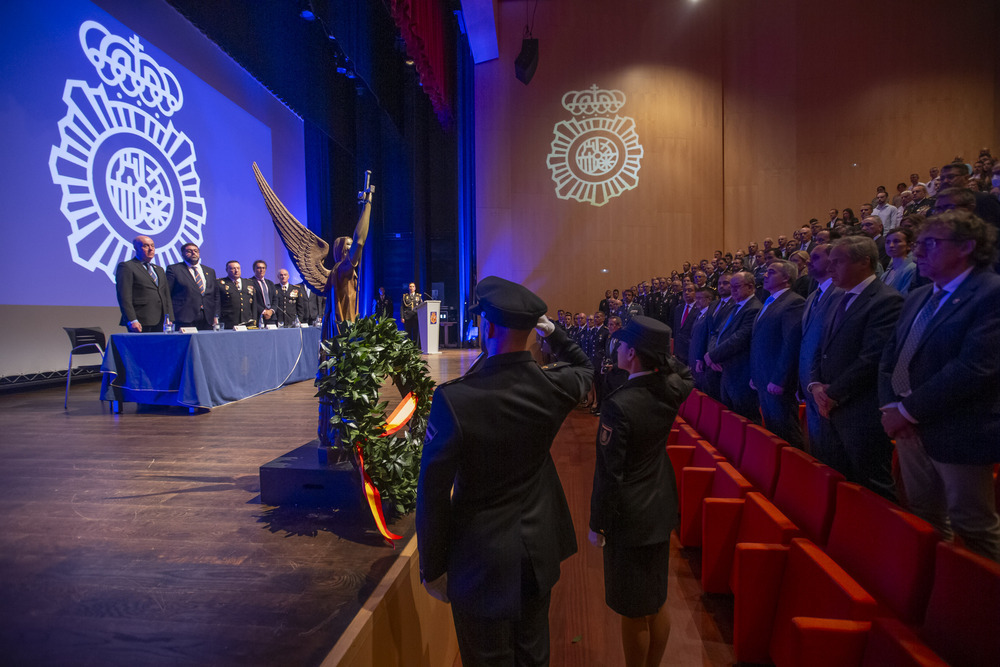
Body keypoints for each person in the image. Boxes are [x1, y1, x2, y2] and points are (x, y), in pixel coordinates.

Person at [416, 276, 592, 666]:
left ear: (488, 327)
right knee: (532, 655)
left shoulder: (455, 400)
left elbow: (432, 493)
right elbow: (584, 366)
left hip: (480, 561)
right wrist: (553, 331)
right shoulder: (554, 388)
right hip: (536, 552)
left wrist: (433, 566)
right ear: (532, 330)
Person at [879, 210, 1000, 562]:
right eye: (918, 243)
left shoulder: (990, 294)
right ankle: (938, 598)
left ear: (967, 247)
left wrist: (906, 410)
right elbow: (891, 355)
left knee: (973, 525)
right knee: (923, 517)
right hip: (908, 426)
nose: (918, 251)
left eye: (930, 243)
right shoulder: (919, 296)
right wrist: (891, 406)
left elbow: (973, 368)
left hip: (960, 428)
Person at [588, 316, 694, 667]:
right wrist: (662, 353)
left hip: (628, 516)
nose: (616, 348)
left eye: (621, 344)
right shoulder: (671, 389)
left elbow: (609, 474)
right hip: (659, 506)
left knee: (633, 611)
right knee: (655, 600)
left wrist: (598, 523)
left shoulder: (619, 405)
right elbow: (687, 373)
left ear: (632, 353)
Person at [807, 237, 901, 498]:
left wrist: (832, 393)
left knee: (871, 487)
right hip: (831, 409)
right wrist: (815, 385)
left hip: (861, 411)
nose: (830, 268)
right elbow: (820, 349)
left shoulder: (886, 300)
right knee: (838, 480)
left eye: (837, 262)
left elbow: (872, 358)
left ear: (864, 262)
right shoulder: (839, 299)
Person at [750, 260, 805, 447]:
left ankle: (797, 471)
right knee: (774, 431)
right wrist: (755, 375)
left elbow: (791, 343)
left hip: (776, 380)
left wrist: (780, 379)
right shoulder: (770, 300)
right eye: (766, 271)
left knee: (786, 432)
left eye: (771, 272)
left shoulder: (793, 302)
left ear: (787, 277)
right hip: (763, 376)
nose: (765, 275)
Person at [704, 271, 761, 422]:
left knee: (745, 420)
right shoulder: (737, 307)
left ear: (750, 287)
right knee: (731, 420)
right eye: (732, 287)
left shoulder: (753, 308)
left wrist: (713, 356)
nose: (733, 290)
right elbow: (721, 334)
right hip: (728, 371)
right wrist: (713, 355)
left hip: (741, 373)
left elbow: (739, 339)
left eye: (736, 286)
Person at [115, 235, 173, 332]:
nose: (151, 249)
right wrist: (132, 320)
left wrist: (169, 317)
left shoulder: (159, 269)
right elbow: (124, 296)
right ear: (136, 248)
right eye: (145, 246)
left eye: (152, 246)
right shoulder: (127, 267)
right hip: (141, 320)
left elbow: (166, 295)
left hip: (161, 321)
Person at [218, 260, 257, 329]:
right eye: (233, 268)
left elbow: (253, 304)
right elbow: (217, 303)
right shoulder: (220, 283)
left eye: (238, 268)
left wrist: (254, 319)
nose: (236, 271)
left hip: (247, 321)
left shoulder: (249, 283)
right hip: (229, 322)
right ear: (227, 270)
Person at [881, 228, 920, 295]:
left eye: (896, 241)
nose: (891, 245)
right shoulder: (887, 272)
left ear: (909, 246)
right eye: (887, 242)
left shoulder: (912, 269)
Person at [251, 260, 277, 327]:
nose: (261, 270)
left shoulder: (270, 283)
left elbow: (275, 299)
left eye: (263, 268)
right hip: (258, 316)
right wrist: (263, 311)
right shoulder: (250, 282)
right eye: (259, 268)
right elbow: (252, 300)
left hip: (271, 316)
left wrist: (271, 311)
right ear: (254, 269)